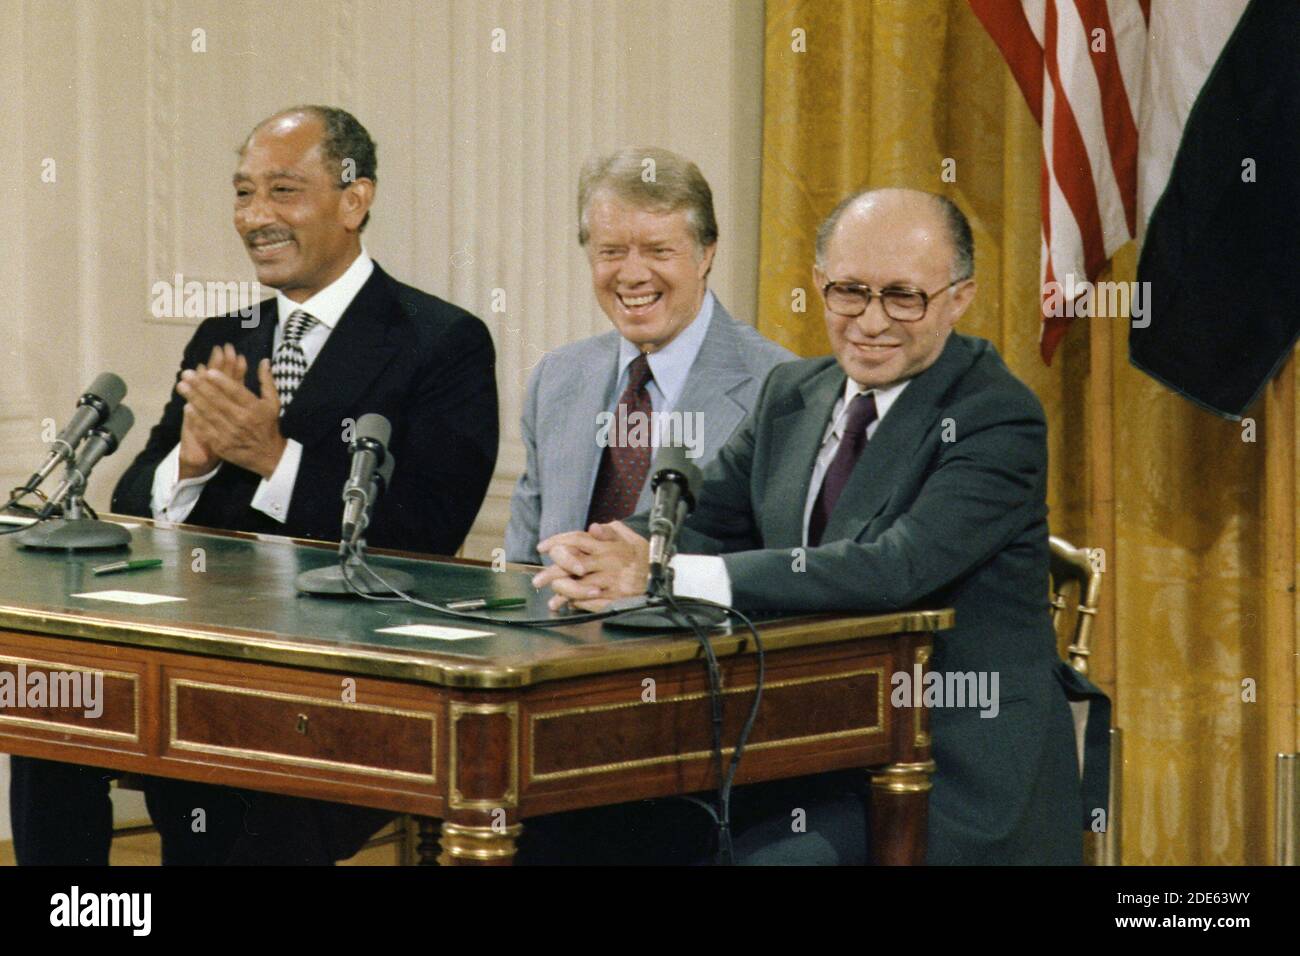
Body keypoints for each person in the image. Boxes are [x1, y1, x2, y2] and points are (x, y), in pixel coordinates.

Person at [532, 187, 1109, 864]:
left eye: (903, 296)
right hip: (794, 746)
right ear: (817, 285)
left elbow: (895, 567)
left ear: (959, 298)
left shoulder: (994, 414)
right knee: (561, 824)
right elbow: (706, 520)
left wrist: (658, 573)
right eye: (848, 291)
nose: (870, 320)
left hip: (941, 764)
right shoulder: (793, 394)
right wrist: (610, 551)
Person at [9, 105, 499, 865]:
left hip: (334, 686)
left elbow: (426, 532)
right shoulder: (224, 335)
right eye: (243, 194)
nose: (256, 217)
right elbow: (136, 502)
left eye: (282, 191)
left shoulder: (441, 342)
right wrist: (193, 463)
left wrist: (277, 459)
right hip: (202, 664)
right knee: (52, 718)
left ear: (353, 199)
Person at [504, 146, 792, 564]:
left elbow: (777, 567)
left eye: (659, 251)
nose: (633, 274)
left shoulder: (778, 385)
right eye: (612, 252)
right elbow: (522, 566)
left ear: (705, 254)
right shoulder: (557, 376)